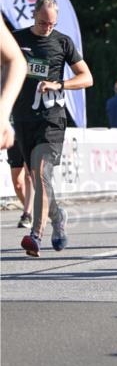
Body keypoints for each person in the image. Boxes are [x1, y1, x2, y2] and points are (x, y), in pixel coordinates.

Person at [11, 0, 93, 257]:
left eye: (52, 23)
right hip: (23, 119)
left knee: (41, 170)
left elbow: (86, 77)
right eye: (43, 22)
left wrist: (59, 84)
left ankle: (36, 236)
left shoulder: (62, 42)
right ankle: (58, 217)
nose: (48, 27)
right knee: (38, 177)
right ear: (34, 15)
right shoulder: (16, 39)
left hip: (51, 119)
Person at [1, 19, 32, 227]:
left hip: (32, 121)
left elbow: (16, 61)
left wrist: (2, 112)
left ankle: (30, 214)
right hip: (16, 121)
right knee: (18, 182)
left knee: (31, 174)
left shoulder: (60, 44)